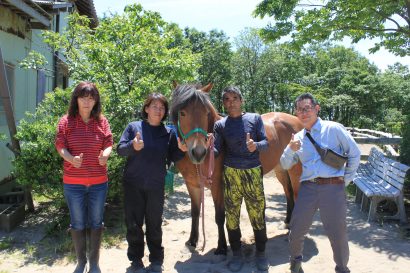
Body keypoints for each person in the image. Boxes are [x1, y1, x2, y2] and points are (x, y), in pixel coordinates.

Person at [280, 93, 361, 273]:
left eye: (307, 108)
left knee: (338, 234)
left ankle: (341, 268)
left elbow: (355, 154)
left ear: (317, 109)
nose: (303, 113)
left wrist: (344, 181)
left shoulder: (333, 129)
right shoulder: (298, 138)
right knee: (296, 230)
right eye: (299, 109)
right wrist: (289, 149)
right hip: (308, 188)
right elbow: (285, 164)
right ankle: (296, 264)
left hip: (333, 187)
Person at [117, 93, 187, 273]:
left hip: (156, 185)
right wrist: (133, 146)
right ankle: (136, 261)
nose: (159, 110)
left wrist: (182, 150)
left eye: (162, 107)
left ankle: (156, 260)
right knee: (133, 224)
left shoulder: (168, 132)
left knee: (154, 224)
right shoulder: (134, 127)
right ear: (146, 108)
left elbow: (173, 157)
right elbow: (120, 150)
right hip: (133, 184)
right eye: (154, 106)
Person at [55, 81, 113, 273]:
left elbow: (108, 142)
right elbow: (60, 145)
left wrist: (106, 154)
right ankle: (81, 262)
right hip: (74, 183)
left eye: (91, 98)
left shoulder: (101, 121)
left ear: (96, 100)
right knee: (78, 222)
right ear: (76, 99)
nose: (87, 102)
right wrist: (70, 158)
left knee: (96, 222)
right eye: (83, 98)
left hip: (98, 182)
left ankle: (94, 263)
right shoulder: (66, 121)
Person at [213, 86, 269, 272]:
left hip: (252, 172)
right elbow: (216, 150)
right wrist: (207, 147)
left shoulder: (254, 118)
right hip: (231, 174)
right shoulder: (220, 124)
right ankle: (236, 253)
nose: (231, 102)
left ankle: (261, 253)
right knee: (232, 216)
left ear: (241, 100)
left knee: (257, 214)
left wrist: (256, 146)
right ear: (224, 103)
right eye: (227, 99)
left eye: (234, 98)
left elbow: (266, 143)